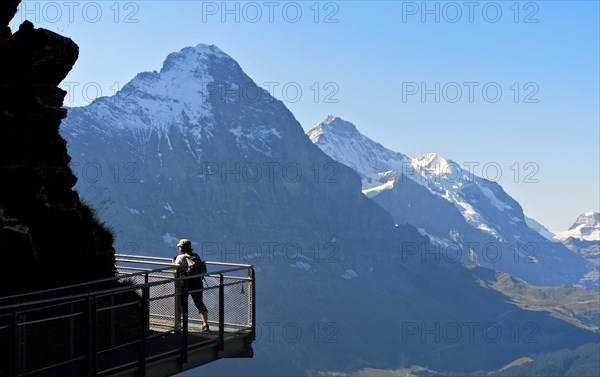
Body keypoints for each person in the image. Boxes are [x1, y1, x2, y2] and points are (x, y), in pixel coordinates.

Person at [173, 239, 210, 332]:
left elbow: (176, 268)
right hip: (197, 282)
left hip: (185, 283)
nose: (179, 248)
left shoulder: (180, 257)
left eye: (179, 247)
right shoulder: (196, 256)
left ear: (181, 248)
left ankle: (178, 325)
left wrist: (173, 262)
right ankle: (205, 324)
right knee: (199, 303)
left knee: (180, 303)